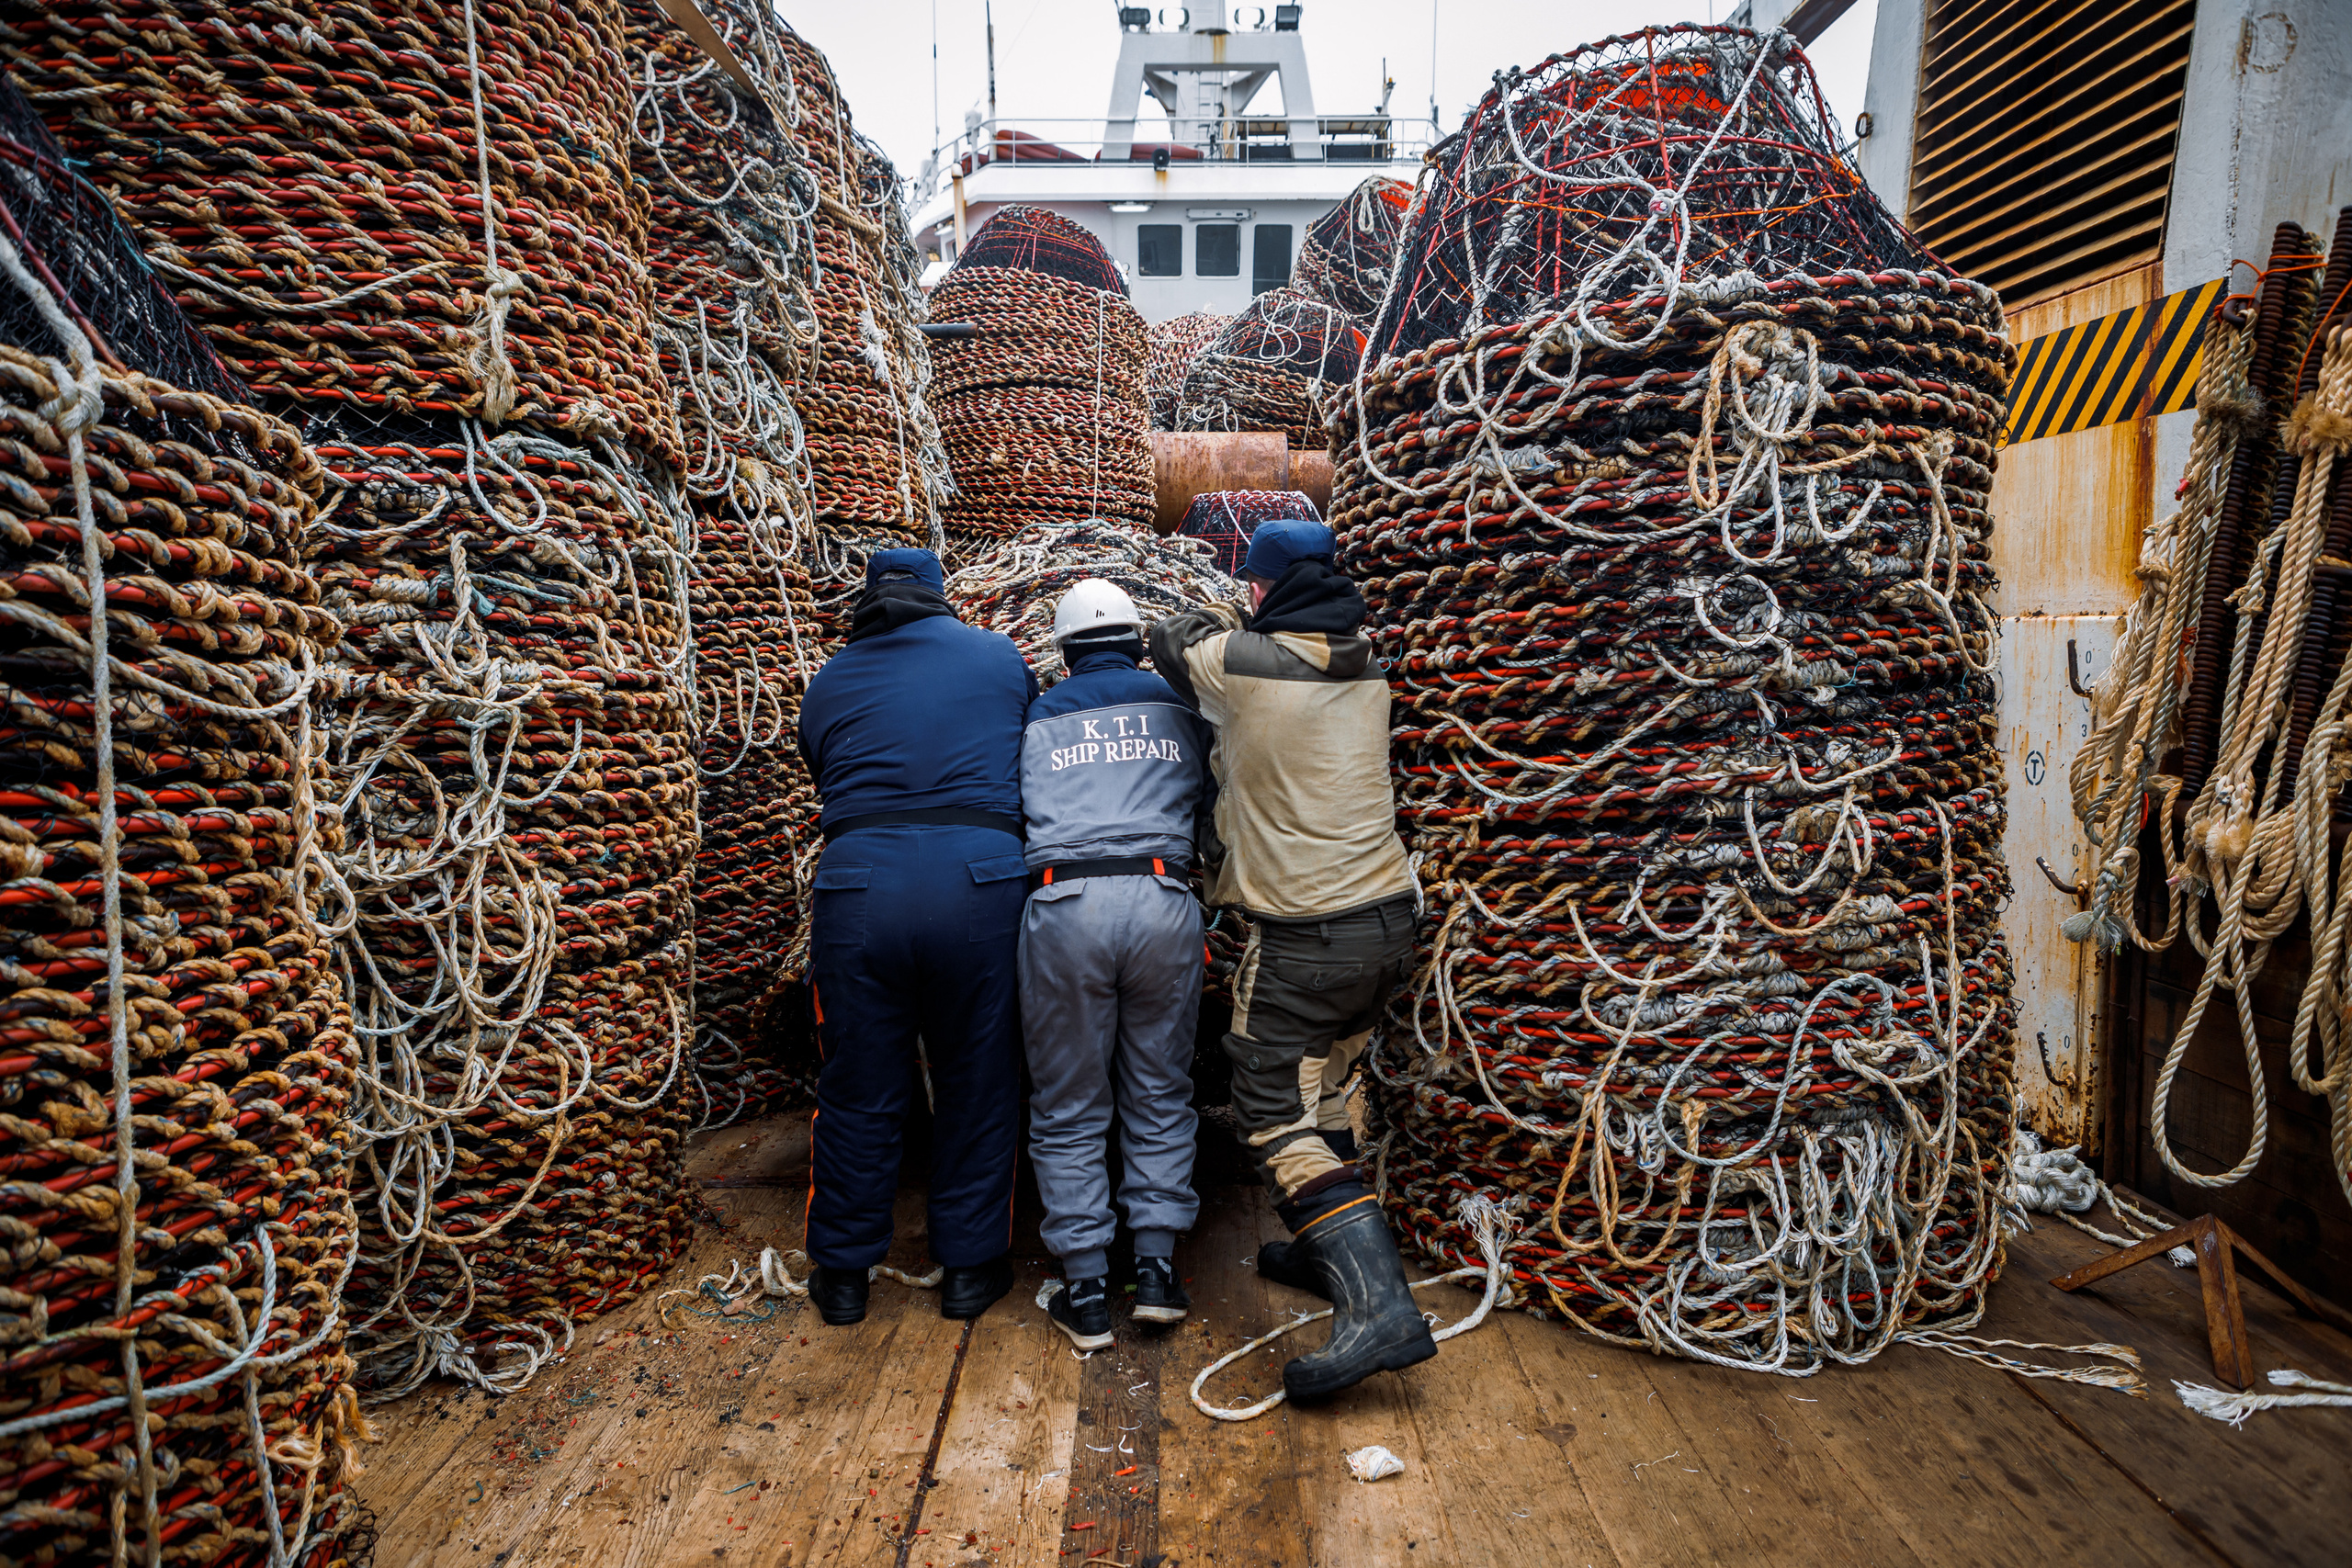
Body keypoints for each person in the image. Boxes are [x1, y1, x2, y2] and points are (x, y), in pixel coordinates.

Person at [1147, 518, 1431, 1401]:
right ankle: (1327, 1260)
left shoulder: (1241, 661)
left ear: (1262, 589)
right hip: (1388, 919)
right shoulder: (1369, 662)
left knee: (1270, 1107)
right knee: (1332, 1082)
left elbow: (1168, 637)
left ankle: (1380, 1307)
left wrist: (1233, 609)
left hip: (1305, 935)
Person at [796, 547, 1035, 1326]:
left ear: (869, 599)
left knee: (859, 1084)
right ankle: (968, 1270)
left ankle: (841, 1277)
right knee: (979, 1076)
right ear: (940, 597)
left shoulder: (830, 678)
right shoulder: (999, 657)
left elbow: (820, 766)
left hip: (859, 885)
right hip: (980, 883)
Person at [1016, 580, 1212, 1350]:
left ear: (1065, 653)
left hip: (1066, 906)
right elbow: (1207, 800)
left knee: (1069, 1101)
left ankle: (1087, 1287)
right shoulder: (1179, 707)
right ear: (1137, 641)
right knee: (1161, 1088)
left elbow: (1016, 805)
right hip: (1162, 895)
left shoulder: (1040, 714)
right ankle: (1159, 1271)